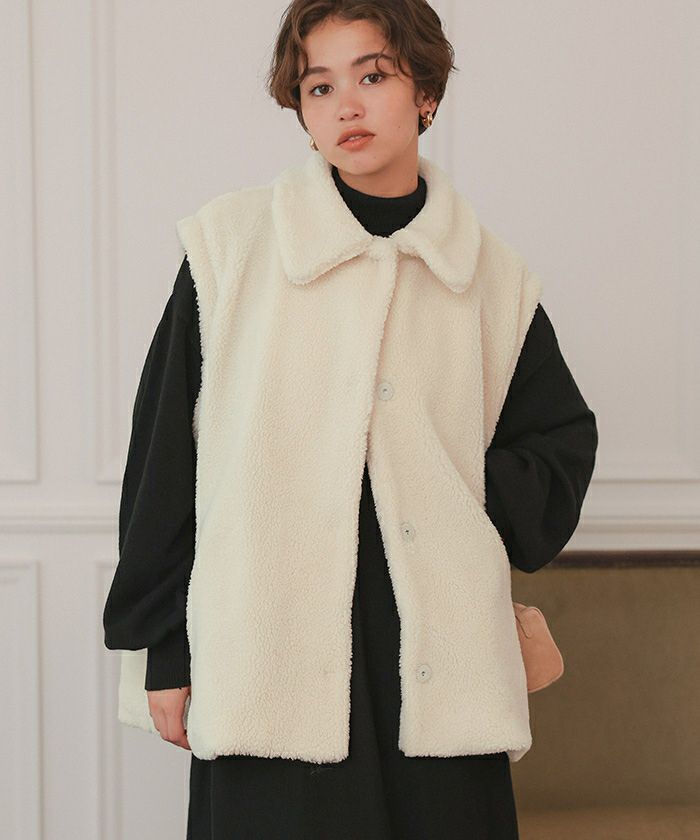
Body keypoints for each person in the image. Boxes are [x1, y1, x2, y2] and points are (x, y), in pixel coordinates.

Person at [103, 2, 598, 838]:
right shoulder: (232, 248)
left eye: (373, 75)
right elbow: (163, 460)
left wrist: (454, 492)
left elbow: (559, 442)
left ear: (426, 92)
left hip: (437, 658)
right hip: (265, 648)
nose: (347, 106)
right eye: (319, 86)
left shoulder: (489, 277)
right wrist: (164, 649)